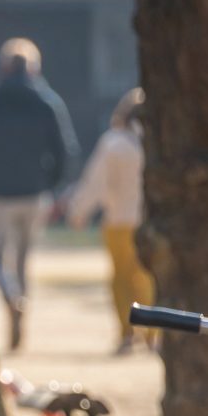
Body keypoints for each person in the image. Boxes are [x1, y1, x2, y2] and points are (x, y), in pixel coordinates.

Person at [0, 38, 79, 351]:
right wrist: (52, 185)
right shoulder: (46, 101)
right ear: (34, 67)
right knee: (23, 260)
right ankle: (22, 305)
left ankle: (10, 298)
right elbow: (64, 149)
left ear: (3, 65)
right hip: (33, 192)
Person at [65, 88, 153, 355]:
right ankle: (154, 331)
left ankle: (128, 332)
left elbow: (96, 182)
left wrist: (79, 211)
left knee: (121, 278)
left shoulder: (114, 143)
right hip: (148, 220)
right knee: (145, 277)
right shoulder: (154, 144)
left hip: (118, 220)